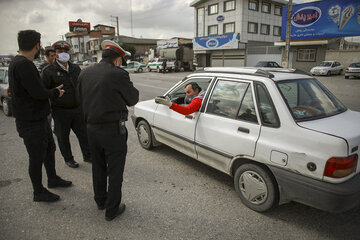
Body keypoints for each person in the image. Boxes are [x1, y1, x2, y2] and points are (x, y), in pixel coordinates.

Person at [77, 40, 139, 221]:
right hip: (112, 130)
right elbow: (133, 98)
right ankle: (112, 209)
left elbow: (79, 99)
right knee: (115, 170)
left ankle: (100, 200)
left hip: (91, 128)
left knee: (98, 166)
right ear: (118, 59)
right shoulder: (118, 74)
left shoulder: (85, 72)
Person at [8, 30, 72, 202]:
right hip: (31, 122)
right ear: (37, 45)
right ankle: (38, 192)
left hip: (37, 119)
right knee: (36, 157)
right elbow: (37, 92)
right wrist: (55, 92)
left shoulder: (18, 62)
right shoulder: (23, 64)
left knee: (50, 149)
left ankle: (52, 178)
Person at [42, 40, 91, 168]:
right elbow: (44, 92)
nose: (63, 53)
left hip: (77, 108)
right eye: (60, 51)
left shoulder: (75, 68)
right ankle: (69, 159)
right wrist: (48, 110)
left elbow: (82, 86)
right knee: (63, 137)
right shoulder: (48, 71)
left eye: (65, 51)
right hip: (60, 110)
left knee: (84, 134)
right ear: (55, 53)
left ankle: (88, 155)